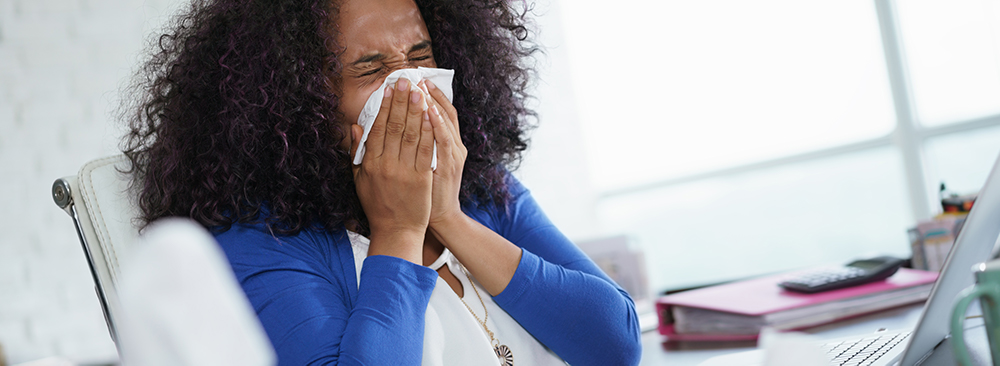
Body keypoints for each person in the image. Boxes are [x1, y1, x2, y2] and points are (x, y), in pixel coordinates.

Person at [121, 0, 642, 364]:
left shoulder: (483, 189)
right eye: (371, 71)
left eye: (420, 58)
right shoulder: (261, 242)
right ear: (294, 103)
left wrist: (447, 217)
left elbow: (615, 345)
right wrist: (398, 229)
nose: (413, 89)